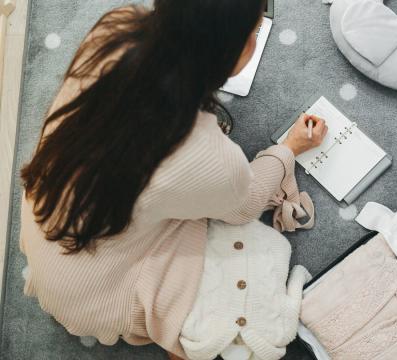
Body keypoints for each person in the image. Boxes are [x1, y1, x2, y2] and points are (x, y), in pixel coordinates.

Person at [18, 1, 327, 359]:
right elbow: (245, 205)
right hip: (95, 293)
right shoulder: (210, 157)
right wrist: (289, 148)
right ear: (234, 54)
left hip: (48, 227)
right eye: (254, 33)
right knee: (247, 283)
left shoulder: (113, 28)